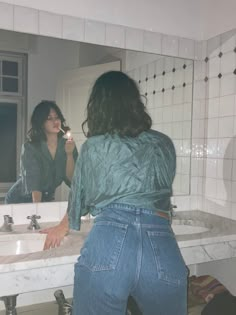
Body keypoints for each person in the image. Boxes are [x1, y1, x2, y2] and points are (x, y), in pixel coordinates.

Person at [43, 71, 188, 315]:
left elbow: (79, 200)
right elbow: (155, 194)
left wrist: (61, 227)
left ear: (98, 106)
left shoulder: (94, 146)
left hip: (111, 240)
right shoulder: (164, 143)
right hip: (161, 244)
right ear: (135, 102)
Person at [5, 100, 78, 204]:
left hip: (45, 198)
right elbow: (34, 182)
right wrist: (38, 209)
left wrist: (69, 154)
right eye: (49, 118)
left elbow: (72, 179)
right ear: (41, 123)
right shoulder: (30, 148)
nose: (55, 121)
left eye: (57, 117)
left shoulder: (67, 145)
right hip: (20, 199)